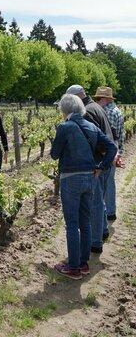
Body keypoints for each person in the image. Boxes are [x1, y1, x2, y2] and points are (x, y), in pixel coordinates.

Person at [51, 94, 116, 279]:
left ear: (64, 110)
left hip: (70, 178)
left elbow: (54, 154)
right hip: (90, 178)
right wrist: (102, 167)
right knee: (85, 221)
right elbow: (111, 146)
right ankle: (83, 263)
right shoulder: (91, 126)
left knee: (72, 223)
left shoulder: (65, 127)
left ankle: (73, 268)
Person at [66, 84, 114, 254]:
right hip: (105, 160)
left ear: (77, 97)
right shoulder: (97, 107)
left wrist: (98, 162)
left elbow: (96, 139)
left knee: (94, 203)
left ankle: (95, 242)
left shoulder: (86, 111)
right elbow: (111, 132)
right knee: (99, 199)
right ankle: (103, 231)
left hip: (97, 163)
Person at [94, 86, 125, 222]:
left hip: (105, 151)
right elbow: (121, 135)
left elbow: (104, 137)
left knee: (102, 183)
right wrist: (119, 152)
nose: (97, 100)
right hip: (115, 149)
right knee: (110, 182)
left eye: (99, 98)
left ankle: (104, 213)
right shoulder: (117, 111)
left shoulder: (104, 111)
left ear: (105, 99)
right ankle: (111, 212)